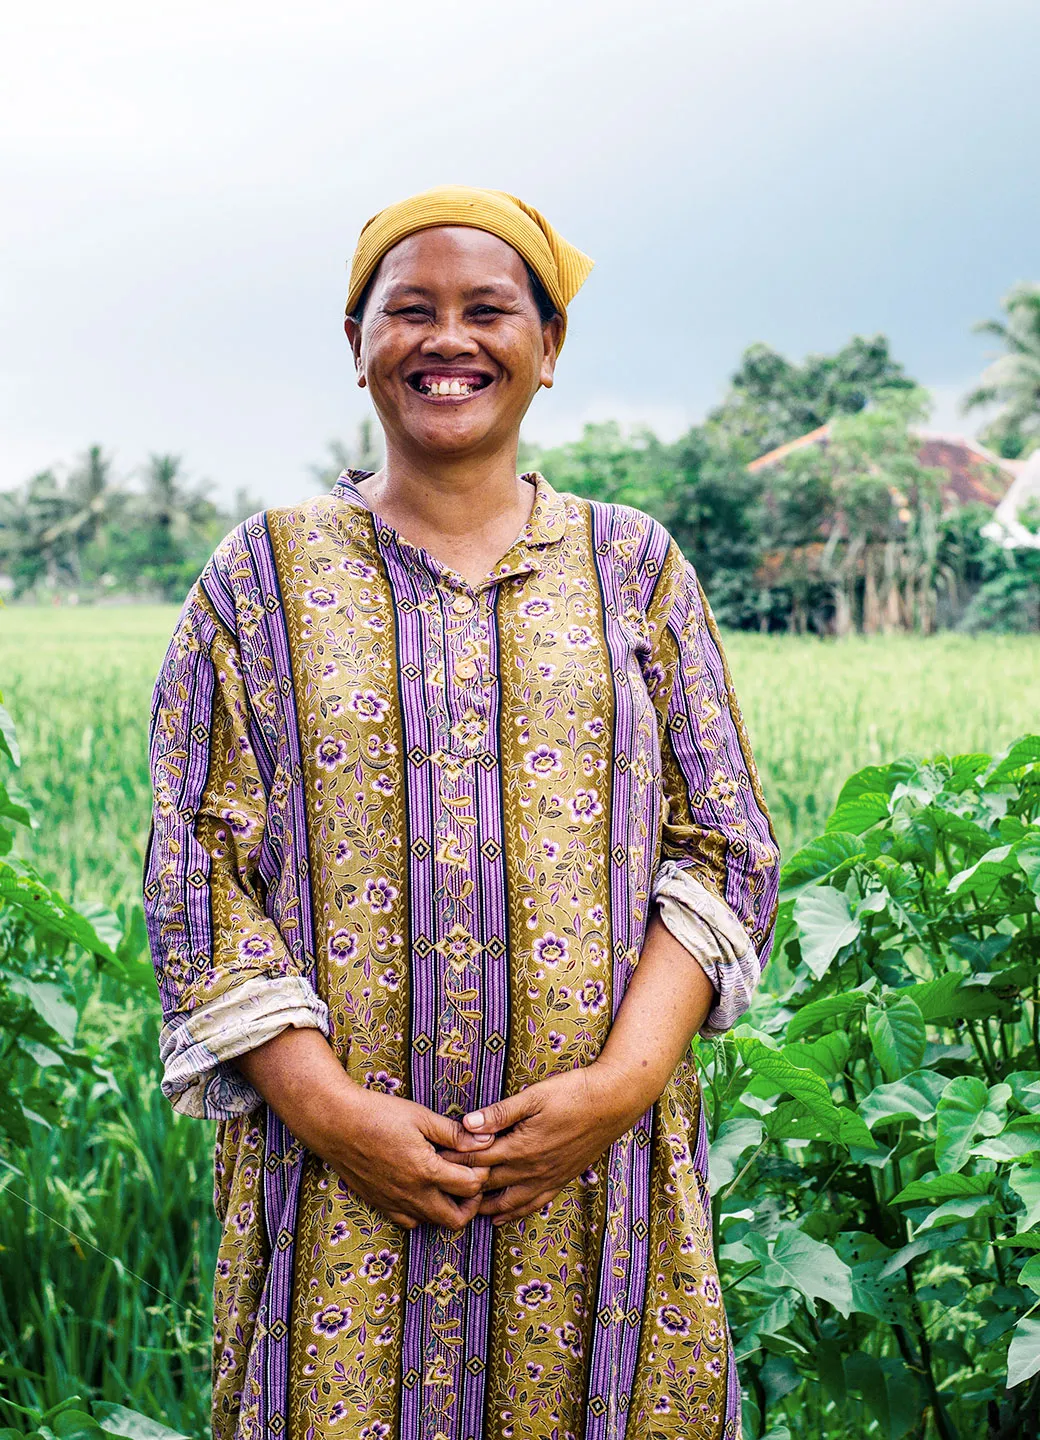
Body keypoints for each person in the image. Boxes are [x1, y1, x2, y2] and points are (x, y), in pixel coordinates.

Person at [144, 185, 780, 1440]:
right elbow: (196, 872)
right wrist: (333, 1115)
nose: (449, 341)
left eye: (488, 310)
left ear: (548, 350)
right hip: (334, 1191)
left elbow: (720, 846)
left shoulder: (634, 567)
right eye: (409, 311)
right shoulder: (261, 577)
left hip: (600, 1188)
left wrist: (617, 1087)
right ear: (357, 343)